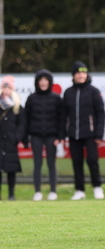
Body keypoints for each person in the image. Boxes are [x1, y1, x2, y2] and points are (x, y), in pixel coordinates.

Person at [63, 61, 105, 200]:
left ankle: (97, 187)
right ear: (73, 75)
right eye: (78, 73)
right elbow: (64, 115)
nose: (81, 75)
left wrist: (99, 134)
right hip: (73, 134)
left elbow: (101, 114)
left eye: (83, 73)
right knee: (77, 162)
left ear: (86, 74)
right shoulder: (68, 92)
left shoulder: (94, 91)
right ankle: (79, 190)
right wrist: (63, 133)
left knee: (92, 160)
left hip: (91, 134)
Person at [25, 69, 64, 201]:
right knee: (37, 163)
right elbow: (26, 119)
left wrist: (60, 136)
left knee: (51, 163)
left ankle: (53, 191)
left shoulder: (56, 98)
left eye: (45, 80)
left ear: (49, 82)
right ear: (37, 82)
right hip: (36, 135)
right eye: (40, 80)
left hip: (52, 136)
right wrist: (26, 138)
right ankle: (37, 192)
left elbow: (61, 119)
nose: (43, 83)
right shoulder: (31, 98)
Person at [0, 75, 26, 201]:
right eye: (4, 88)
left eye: (8, 88)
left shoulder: (17, 107)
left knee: (11, 169)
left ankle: (11, 194)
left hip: (11, 141)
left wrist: (17, 137)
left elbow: (22, 124)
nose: (6, 91)